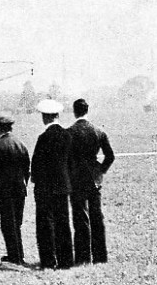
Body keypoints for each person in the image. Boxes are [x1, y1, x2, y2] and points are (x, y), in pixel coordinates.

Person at [68, 98, 115, 264]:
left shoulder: (69, 132)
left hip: (76, 180)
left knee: (80, 217)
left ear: (74, 111)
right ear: (87, 110)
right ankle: (100, 257)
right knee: (96, 216)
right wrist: (100, 171)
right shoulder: (99, 131)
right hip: (94, 179)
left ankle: (83, 257)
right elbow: (110, 156)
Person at [31, 99, 74, 269]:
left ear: (45, 117)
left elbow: (36, 164)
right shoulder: (67, 136)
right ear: (57, 115)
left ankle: (48, 260)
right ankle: (66, 260)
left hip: (45, 188)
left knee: (46, 224)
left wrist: (35, 179)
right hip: (63, 186)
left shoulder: (43, 138)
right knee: (63, 223)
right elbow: (71, 163)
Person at [0, 114, 30, 265]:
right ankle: (19, 254)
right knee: (17, 223)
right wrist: (25, 185)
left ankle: (14, 256)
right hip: (20, 190)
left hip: (5, 191)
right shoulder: (21, 144)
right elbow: (27, 169)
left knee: (7, 223)